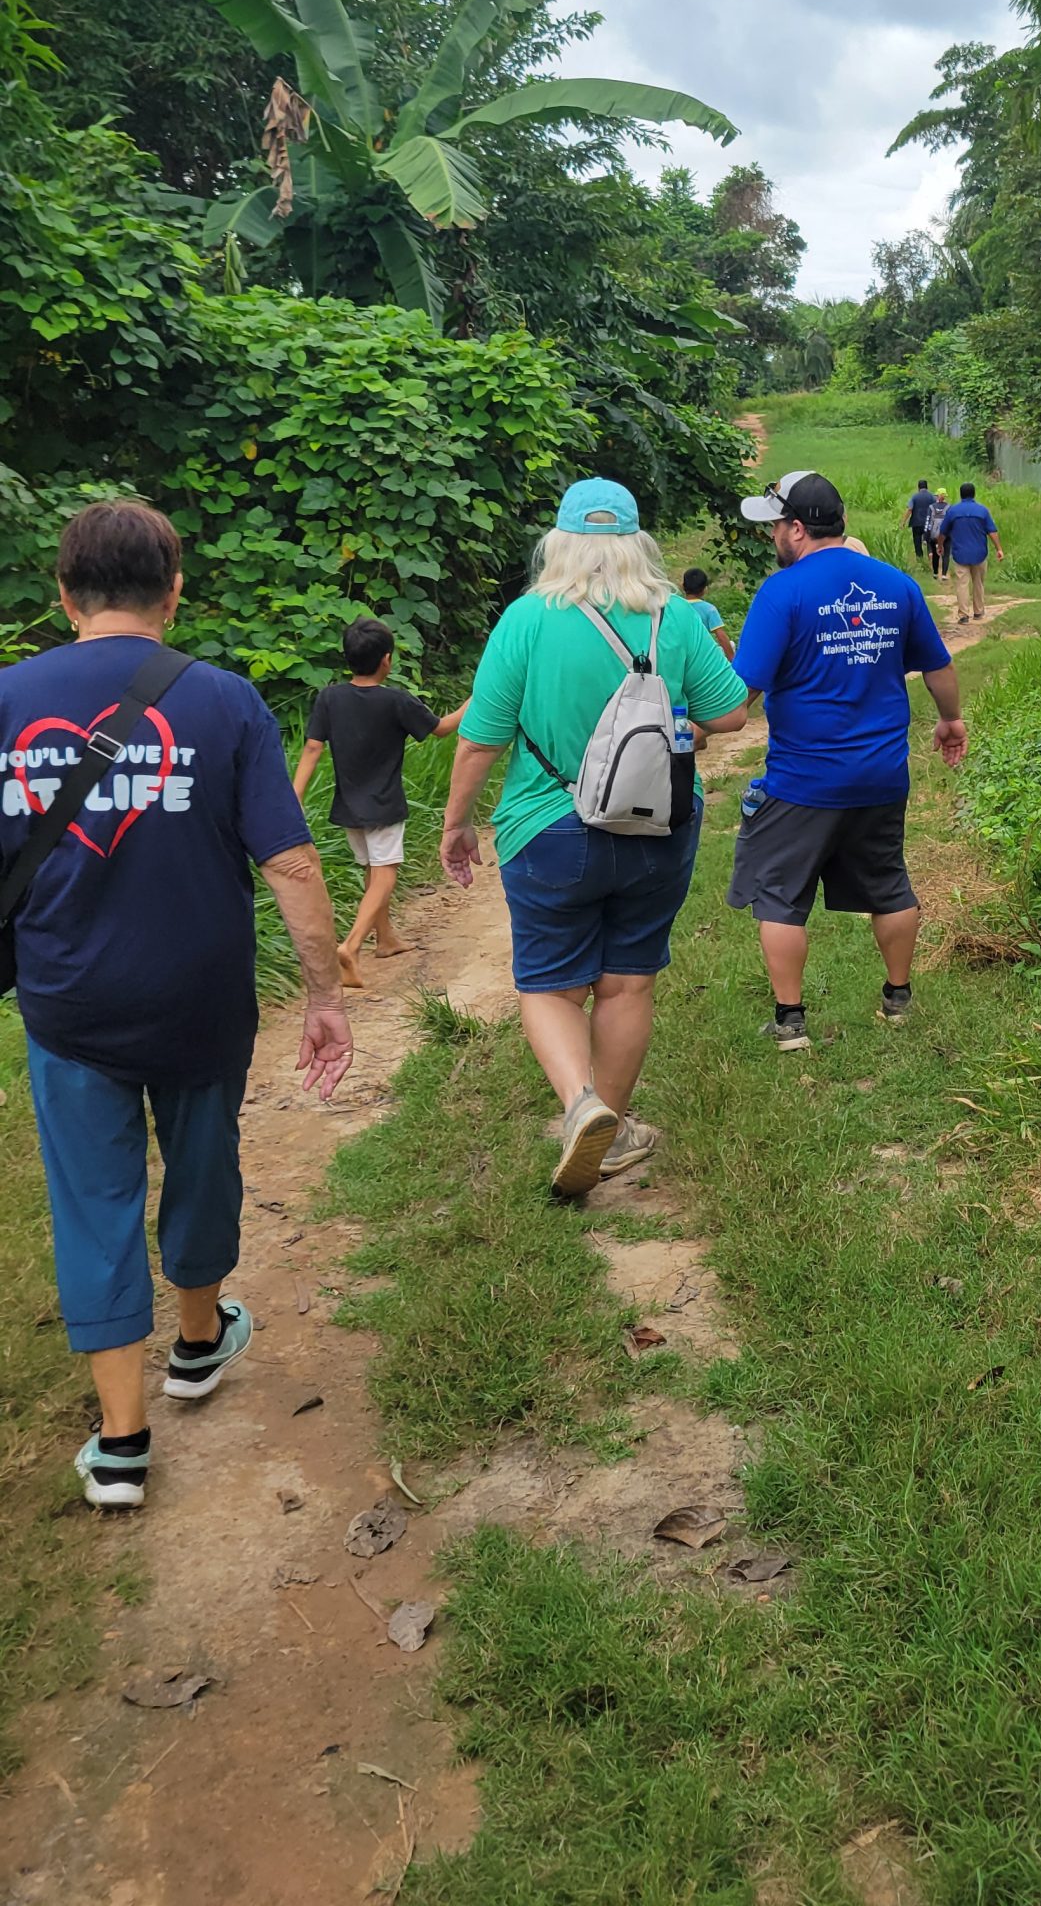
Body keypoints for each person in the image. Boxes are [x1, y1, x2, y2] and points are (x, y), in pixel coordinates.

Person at [0, 501, 353, 1511]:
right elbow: (288, 861)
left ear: (62, 594)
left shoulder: (8, 700)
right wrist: (324, 992)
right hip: (202, 1000)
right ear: (175, 590)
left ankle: (120, 1442)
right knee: (203, 1164)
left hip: (66, 1004)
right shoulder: (227, 703)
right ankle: (197, 1343)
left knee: (93, 1203)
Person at [440, 480, 749, 1199]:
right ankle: (615, 1126)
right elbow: (731, 712)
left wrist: (457, 824)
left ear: (562, 544)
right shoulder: (670, 617)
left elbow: (481, 740)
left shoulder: (525, 619)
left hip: (549, 829)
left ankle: (583, 1106)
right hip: (660, 825)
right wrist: (686, 728)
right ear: (638, 543)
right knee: (629, 977)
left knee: (550, 983)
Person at [728, 468, 967, 1052]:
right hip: (882, 773)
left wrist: (699, 718)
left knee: (780, 895)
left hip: (803, 778)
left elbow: (743, 693)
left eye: (777, 526)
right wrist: (950, 719)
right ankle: (898, 1000)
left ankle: (790, 1021)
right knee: (889, 884)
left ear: (797, 529)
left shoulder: (781, 593)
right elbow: (937, 665)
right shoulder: (894, 585)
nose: (773, 538)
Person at [292, 617, 465, 989]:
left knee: (372, 869)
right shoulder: (396, 700)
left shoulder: (329, 697)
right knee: (385, 875)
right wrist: (477, 698)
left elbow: (311, 748)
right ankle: (351, 946)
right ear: (387, 660)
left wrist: (294, 800)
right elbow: (442, 728)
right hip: (384, 805)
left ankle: (385, 938)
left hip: (348, 807)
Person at [939, 482, 1004, 623]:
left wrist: (940, 546)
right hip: (980, 553)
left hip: (960, 553)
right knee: (978, 583)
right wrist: (999, 548)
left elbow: (943, 532)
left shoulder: (953, 511)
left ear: (961, 494)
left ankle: (963, 615)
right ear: (974, 494)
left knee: (962, 584)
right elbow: (992, 531)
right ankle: (979, 612)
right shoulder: (982, 511)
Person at [681, 567, 736, 660]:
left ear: (683, 586)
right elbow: (721, 636)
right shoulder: (709, 609)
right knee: (731, 644)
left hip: (680, 653)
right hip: (702, 656)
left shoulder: (676, 606)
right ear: (705, 589)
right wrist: (732, 660)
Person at [904, 479, 937, 571]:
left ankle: (920, 562)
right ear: (927, 487)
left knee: (917, 542)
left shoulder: (914, 497)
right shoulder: (932, 497)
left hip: (916, 523)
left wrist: (903, 522)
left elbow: (909, 509)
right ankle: (931, 555)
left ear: (918, 487)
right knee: (930, 541)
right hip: (929, 523)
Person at [927, 488, 952, 578]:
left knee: (935, 554)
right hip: (946, 535)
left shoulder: (931, 507)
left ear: (937, 496)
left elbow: (928, 521)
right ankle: (944, 574)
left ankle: (935, 573)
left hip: (934, 534)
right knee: (946, 554)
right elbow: (951, 521)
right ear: (945, 496)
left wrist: (927, 534)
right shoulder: (949, 507)